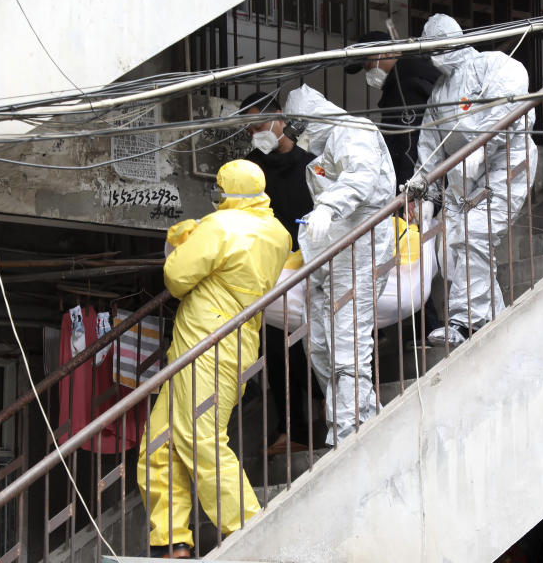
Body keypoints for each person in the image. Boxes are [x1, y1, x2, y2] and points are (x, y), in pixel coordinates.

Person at [137, 159, 291, 558]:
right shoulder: (277, 233)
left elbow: (177, 278)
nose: (217, 198)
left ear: (227, 192)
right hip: (236, 343)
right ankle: (171, 539)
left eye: (219, 191)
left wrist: (181, 242)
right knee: (160, 442)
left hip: (204, 344)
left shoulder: (219, 226)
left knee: (199, 439)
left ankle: (249, 526)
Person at [416, 13, 538, 348]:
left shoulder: (492, 65)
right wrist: (421, 185)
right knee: (458, 248)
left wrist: (482, 144)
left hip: (507, 165)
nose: (436, 57)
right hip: (463, 181)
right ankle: (495, 321)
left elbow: (510, 104)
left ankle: (464, 322)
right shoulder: (439, 92)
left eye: (439, 48)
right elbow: (430, 143)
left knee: (475, 234)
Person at [290, 83, 395, 445]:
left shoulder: (353, 131)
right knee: (319, 344)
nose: (300, 138)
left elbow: (360, 177)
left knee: (346, 338)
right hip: (332, 256)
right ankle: (360, 412)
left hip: (360, 250)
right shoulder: (326, 148)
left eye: (301, 128)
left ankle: (349, 428)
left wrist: (329, 206)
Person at [241, 91, 320, 454]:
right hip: (273, 274)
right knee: (276, 351)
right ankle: (292, 430)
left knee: (319, 344)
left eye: (259, 122)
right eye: (249, 126)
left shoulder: (312, 163)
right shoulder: (250, 168)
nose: (255, 131)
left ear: (279, 118)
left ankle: (331, 411)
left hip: (315, 266)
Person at [345, 30, 442, 192]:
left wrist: (407, 191)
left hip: (417, 184)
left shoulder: (407, 85)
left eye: (368, 66)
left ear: (385, 52)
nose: (368, 73)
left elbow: (409, 142)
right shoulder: (406, 79)